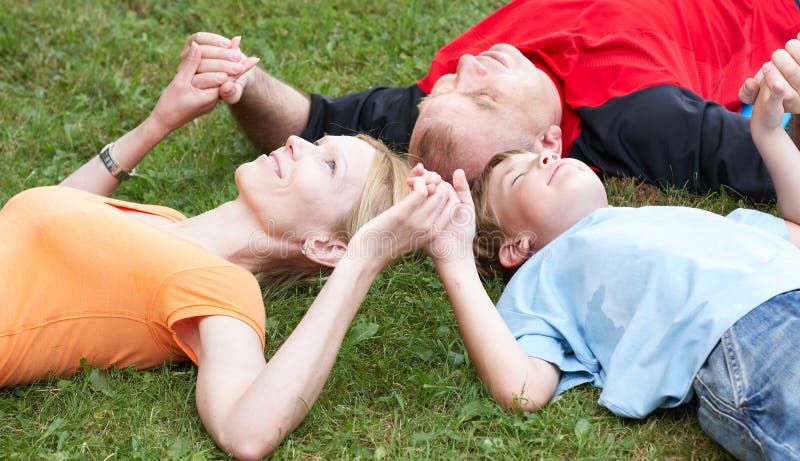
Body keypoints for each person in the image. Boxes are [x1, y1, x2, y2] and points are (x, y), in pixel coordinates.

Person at [0, 42, 455, 461]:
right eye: (317, 144)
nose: (296, 142)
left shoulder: (225, 288)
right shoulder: (167, 220)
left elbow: (246, 433)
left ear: (326, 245)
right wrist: (159, 123)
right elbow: (41, 222)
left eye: (328, 165)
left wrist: (363, 259)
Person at [419, 62, 800, 460]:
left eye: (539, 157)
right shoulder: (543, 275)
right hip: (747, 336)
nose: (545, 159)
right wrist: (455, 260)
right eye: (520, 177)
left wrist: (768, 134)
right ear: (517, 247)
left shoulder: (669, 220)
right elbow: (522, 389)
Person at [185, 0, 800, 199]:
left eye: (448, 90)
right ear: (547, 145)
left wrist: (240, 83)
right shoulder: (640, 117)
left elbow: (309, 123)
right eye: (483, 98)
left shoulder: (439, 108)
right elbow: (774, 160)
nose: (466, 67)